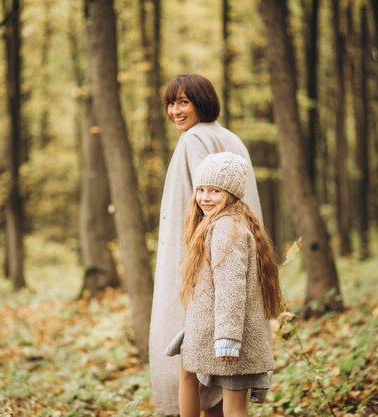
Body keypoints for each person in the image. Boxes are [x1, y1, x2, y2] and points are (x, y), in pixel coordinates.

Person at [149, 74, 264, 416]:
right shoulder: (232, 138)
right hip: (234, 254)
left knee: (190, 360)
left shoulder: (193, 139)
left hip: (202, 261)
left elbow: (201, 205)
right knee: (216, 366)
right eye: (171, 103)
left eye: (183, 102)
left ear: (202, 102)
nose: (175, 111)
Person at [178, 152, 283, 417]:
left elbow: (231, 286)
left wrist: (228, 337)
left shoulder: (227, 228)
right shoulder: (218, 223)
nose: (205, 197)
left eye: (215, 191)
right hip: (210, 331)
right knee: (188, 375)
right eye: (201, 190)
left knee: (234, 407)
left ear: (232, 194)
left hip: (228, 336)